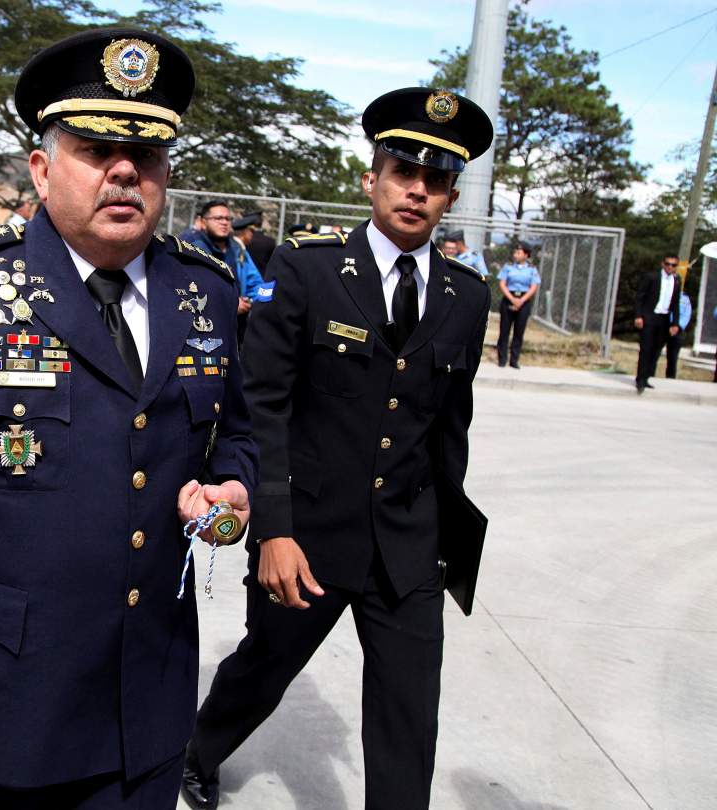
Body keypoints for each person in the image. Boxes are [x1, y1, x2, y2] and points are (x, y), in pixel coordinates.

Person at [0, 27, 258, 808]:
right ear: (41, 167)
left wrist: (231, 499)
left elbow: (234, 437)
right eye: (96, 148)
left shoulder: (200, 294)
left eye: (148, 154)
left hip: (149, 711)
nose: (126, 169)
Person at [182, 87, 493, 810]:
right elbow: (265, 405)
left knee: (410, 711)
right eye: (402, 172)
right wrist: (276, 530)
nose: (417, 191)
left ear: (449, 196)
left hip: (408, 544)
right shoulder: (311, 269)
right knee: (267, 664)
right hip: (312, 536)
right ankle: (200, 746)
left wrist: (445, 541)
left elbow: (451, 429)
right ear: (372, 177)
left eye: (437, 181)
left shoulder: (466, 297)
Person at [181, 201, 264, 344]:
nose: (224, 223)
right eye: (218, 218)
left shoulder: (237, 248)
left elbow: (254, 281)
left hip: (236, 327)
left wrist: (254, 300)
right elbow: (190, 287)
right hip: (201, 327)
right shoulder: (191, 246)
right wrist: (229, 303)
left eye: (227, 219)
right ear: (203, 222)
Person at [633, 254, 682, 394]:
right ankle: (640, 379)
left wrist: (675, 323)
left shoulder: (676, 280)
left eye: (673, 265)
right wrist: (638, 316)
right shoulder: (652, 277)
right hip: (649, 316)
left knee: (656, 350)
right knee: (646, 348)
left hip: (664, 318)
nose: (670, 267)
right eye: (667, 264)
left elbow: (675, 304)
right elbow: (640, 297)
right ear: (662, 264)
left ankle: (647, 376)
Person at [496, 242, 540, 369]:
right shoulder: (508, 267)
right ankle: (502, 359)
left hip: (524, 301)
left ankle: (514, 360)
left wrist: (521, 300)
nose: (516, 255)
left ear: (526, 255)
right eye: (515, 252)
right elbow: (502, 283)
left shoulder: (532, 269)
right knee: (504, 330)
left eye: (519, 253)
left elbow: (534, 286)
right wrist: (512, 299)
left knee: (519, 332)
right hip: (509, 298)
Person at [666, 288, 693, 379]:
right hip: (664, 325)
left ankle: (670, 377)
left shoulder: (685, 298)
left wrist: (678, 326)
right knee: (654, 352)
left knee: (673, 355)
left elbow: (687, 314)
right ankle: (649, 374)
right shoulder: (665, 291)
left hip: (678, 328)